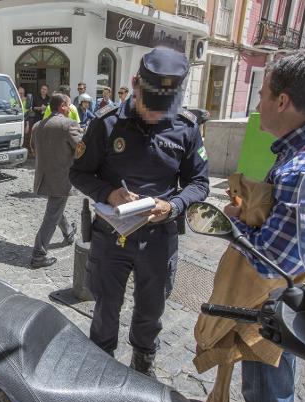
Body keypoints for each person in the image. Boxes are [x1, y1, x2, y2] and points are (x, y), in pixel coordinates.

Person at [69, 47, 210, 377]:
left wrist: (173, 205)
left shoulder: (186, 128)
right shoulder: (106, 124)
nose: (155, 116)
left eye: (164, 108)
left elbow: (199, 183)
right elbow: (78, 173)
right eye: (150, 106)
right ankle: (99, 369)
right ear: (134, 84)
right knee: (106, 307)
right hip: (111, 237)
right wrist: (108, 193)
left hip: (158, 239)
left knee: (151, 311)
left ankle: (142, 368)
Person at [222, 49, 305, 402]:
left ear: (282, 101)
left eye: (262, 94)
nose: (258, 103)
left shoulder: (301, 171)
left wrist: (232, 220)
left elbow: (273, 262)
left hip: (291, 307)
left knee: (267, 400)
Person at [30, 93, 81, 268]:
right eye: (69, 105)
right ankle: (39, 253)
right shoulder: (68, 125)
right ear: (62, 107)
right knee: (52, 214)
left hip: (43, 178)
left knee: (55, 208)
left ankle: (68, 233)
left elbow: (33, 148)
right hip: (60, 178)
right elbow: (82, 149)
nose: (70, 108)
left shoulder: (38, 125)